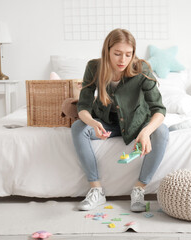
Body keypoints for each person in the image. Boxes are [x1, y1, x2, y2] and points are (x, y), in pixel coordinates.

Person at [71, 28, 169, 212]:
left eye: (128, 54)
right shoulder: (94, 67)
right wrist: (93, 123)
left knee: (162, 131)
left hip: (137, 124)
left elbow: (159, 110)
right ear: (107, 51)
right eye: (117, 54)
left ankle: (139, 190)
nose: (122, 60)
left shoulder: (142, 68)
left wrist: (146, 132)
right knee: (78, 128)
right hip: (106, 123)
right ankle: (96, 191)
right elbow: (82, 107)